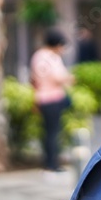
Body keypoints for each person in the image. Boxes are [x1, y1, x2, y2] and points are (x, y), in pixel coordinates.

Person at [30, 28, 74, 171]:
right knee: (54, 133)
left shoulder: (37, 56)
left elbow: (34, 79)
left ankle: (48, 162)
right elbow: (58, 77)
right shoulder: (51, 57)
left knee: (48, 133)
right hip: (53, 99)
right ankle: (53, 164)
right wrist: (70, 78)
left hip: (41, 98)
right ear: (56, 44)